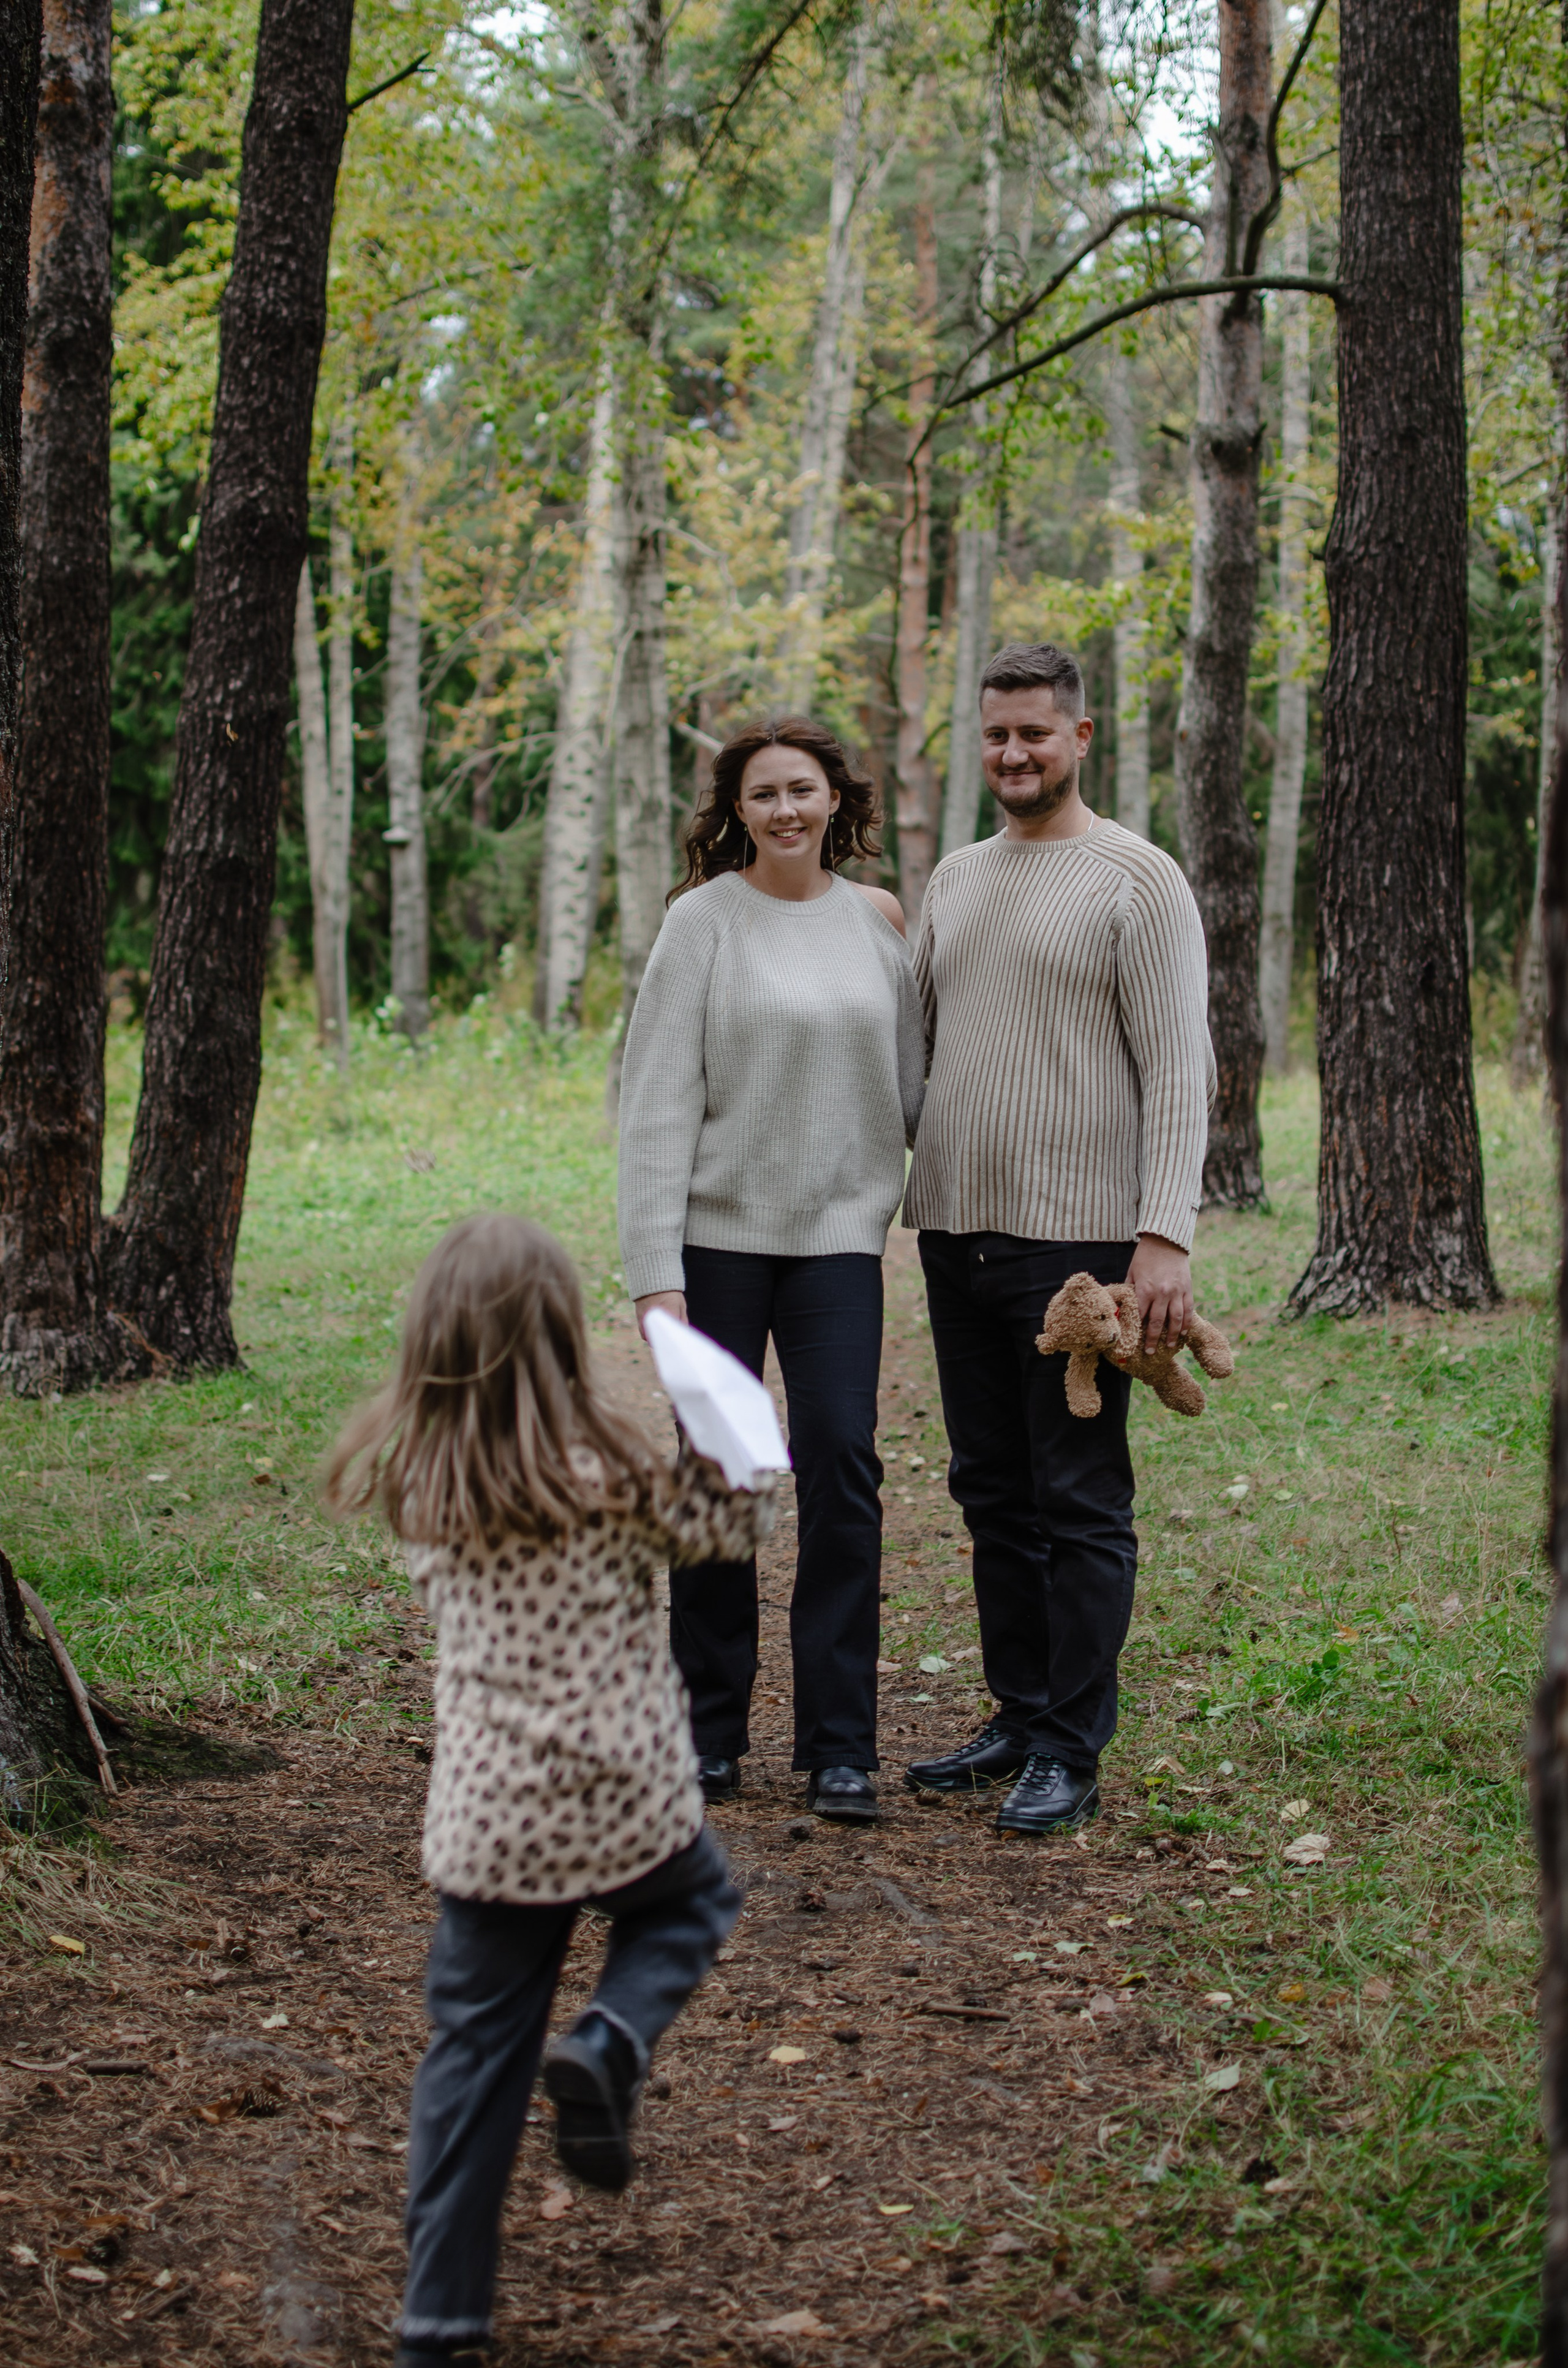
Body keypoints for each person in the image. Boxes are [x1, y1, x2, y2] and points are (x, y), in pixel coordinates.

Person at [326, 1214, 775, 2368]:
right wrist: (734, 1455)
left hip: (491, 1827)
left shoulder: (426, 1488)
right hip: (629, 1804)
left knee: (472, 2060)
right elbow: (727, 1530)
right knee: (693, 1906)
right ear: (566, 1343)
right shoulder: (620, 1478)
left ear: (433, 1347)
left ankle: (438, 2321)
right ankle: (615, 2037)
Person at [903, 643, 1215, 1836]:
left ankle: (1069, 1746)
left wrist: (1163, 1239)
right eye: (995, 735)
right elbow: (917, 1045)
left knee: (1075, 1490)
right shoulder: (957, 877)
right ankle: (1020, 1708)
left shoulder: (1135, 879)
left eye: (1035, 732)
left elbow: (1180, 1065)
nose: (1013, 753)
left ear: (1079, 737)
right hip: (955, 1227)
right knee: (989, 1487)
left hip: (1078, 1245)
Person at [617, 717, 924, 1824]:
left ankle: (841, 1744)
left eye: (804, 790)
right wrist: (656, 1272)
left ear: (836, 800)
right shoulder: (701, 926)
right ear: (736, 811)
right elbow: (653, 1103)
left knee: (841, 1461)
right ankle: (707, 1735)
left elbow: (916, 1085)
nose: (786, 810)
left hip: (840, 1238)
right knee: (721, 1474)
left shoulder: (880, 922)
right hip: (716, 1243)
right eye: (764, 795)